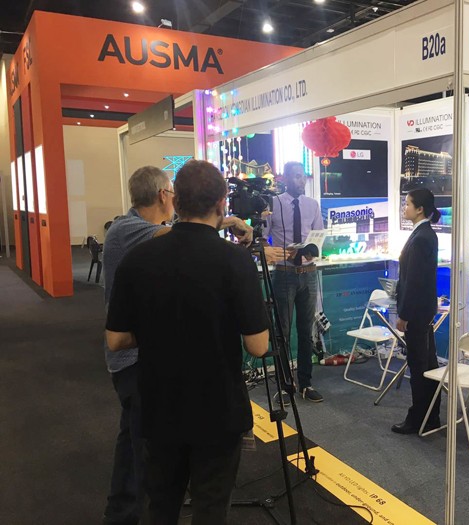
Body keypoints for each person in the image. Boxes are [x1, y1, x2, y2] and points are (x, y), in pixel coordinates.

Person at [105, 159, 270, 524]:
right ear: (221, 203)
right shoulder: (235, 261)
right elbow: (258, 346)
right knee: (210, 508)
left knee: (160, 506)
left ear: (176, 201)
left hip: (159, 405)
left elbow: (115, 340)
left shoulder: (138, 258)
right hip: (218, 409)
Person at [266, 161, 325, 402]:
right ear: (285, 179)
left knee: (305, 331)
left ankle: (305, 383)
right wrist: (279, 252)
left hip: (308, 274)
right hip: (284, 274)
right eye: (297, 176)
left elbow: (318, 236)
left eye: (303, 176)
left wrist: (312, 252)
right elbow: (262, 239)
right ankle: (284, 384)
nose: (302, 181)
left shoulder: (313, 205)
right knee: (282, 331)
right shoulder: (274, 204)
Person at [392, 189, 442, 434]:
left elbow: (414, 281)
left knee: (420, 366)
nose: (405, 208)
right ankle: (430, 416)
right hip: (422, 311)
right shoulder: (423, 234)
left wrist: (404, 314)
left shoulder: (422, 237)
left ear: (420, 209)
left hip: (417, 313)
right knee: (427, 364)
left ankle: (419, 418)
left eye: (407, 204)